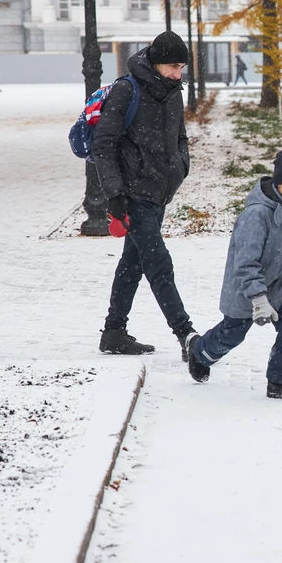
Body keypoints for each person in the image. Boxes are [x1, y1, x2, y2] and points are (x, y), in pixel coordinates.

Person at [91, 31, 195, 356]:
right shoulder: (127, 90)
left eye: (182, 67)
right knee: (158, 263)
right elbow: (103, 144)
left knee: (132, 264)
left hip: (159, 193)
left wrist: (180, 167)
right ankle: (187, 335)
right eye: (174, 66)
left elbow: (180, 138)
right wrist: (114, 194)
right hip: (133, 195)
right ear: (157, 62)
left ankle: (113, 332)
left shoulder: (173, 92)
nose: (178, 73)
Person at [185, 147, 282, 401]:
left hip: (280, 285)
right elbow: (244, 263)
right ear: (279, 182)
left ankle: (279, 381)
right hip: (244, 289)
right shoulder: (256, 215)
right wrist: (258, 299)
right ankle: (198, 352)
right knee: (232, 334)